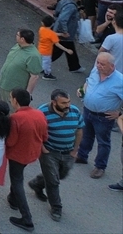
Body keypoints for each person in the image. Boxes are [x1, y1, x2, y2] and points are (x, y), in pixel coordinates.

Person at [28, 89, 84, 222]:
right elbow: (34, 131)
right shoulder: (42, 112)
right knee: (53, 181)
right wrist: (42, 148)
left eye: (69, 102)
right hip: (50, 152)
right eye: (64, 103)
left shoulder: (75, 111)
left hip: (68, 152)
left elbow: (79, 130)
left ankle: (37, 183)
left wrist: (75, 150)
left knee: (62, 174)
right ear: (54, 102)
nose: (68, 105)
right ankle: (56, 208)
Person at [4, 88, 48, 232]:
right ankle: (13, 199)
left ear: (15, 100)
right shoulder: (39, 114)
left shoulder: (15, 118)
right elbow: (45, 136)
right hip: (32, 153)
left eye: (11, 97)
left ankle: (27, 218)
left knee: (17, 181)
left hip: (18, 155)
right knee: (18, 177)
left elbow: (11, 141)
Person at [76, 52, 123, 180]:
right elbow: (87, 82)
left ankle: (100, 166)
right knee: (86, 135)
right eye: (98, 62)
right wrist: (82, 90)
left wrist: (119, 113)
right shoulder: (95, 72)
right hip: (88, 111)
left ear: (112, 66)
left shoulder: (120, 81)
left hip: (104, 117)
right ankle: (82, 155)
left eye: (102, 64)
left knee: (103, 142)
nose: (98, 66)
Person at [0, 29, 43, 102]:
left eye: (17, 35)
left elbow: (34, 76)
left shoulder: (33, 55)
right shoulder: (17, 46)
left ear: (22, 39)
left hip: (14, 90)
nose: (16, 36)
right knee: (2, 109)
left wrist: (27, 93)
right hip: (4, 84)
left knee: (12, 111)